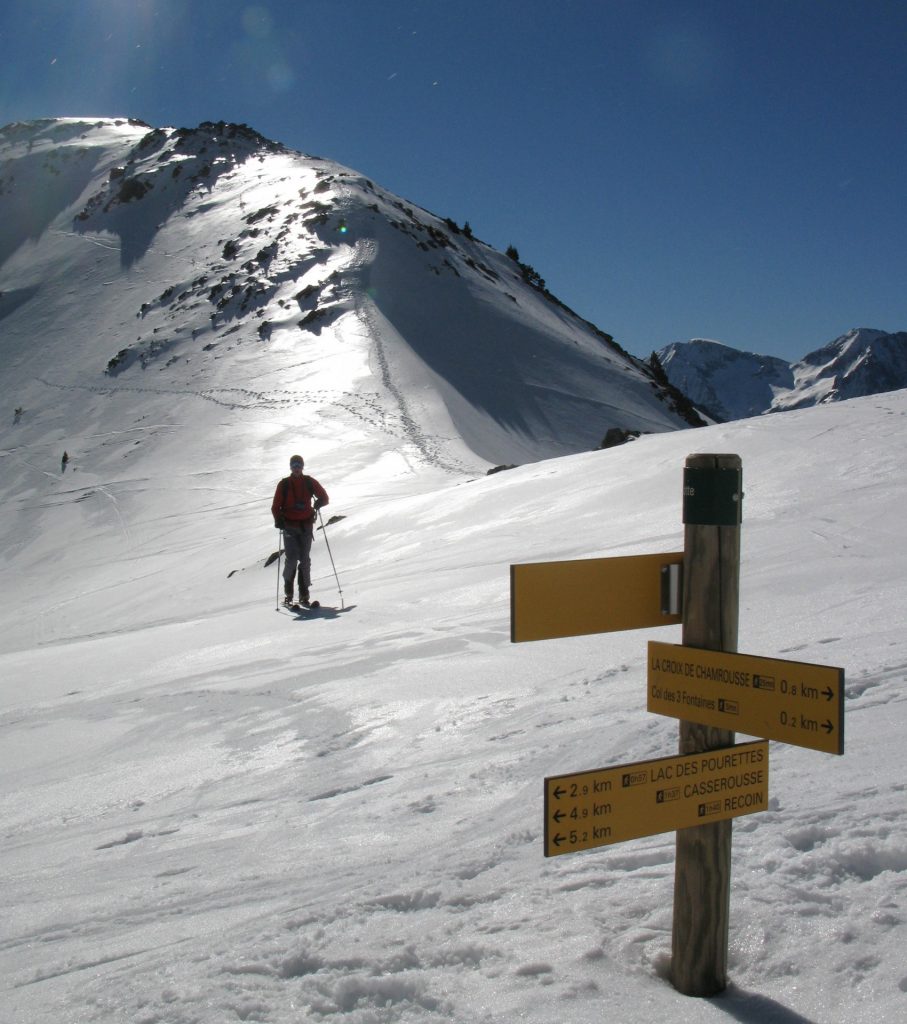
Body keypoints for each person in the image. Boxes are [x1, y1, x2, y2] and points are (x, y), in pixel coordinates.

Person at [271, 454, 329, 607]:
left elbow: (324, 497)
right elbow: (275, 506)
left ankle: (304, 594)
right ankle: (289, 593)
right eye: (294, 465)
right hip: (290, 526)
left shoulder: (309, 482)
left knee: (304, 559)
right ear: (291, 467)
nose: (296, 468)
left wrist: (320, 503)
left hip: (306, 526)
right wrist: (279, 520)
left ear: (302, 467)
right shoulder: (284, 485)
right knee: (291, 558)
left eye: (299, 465)